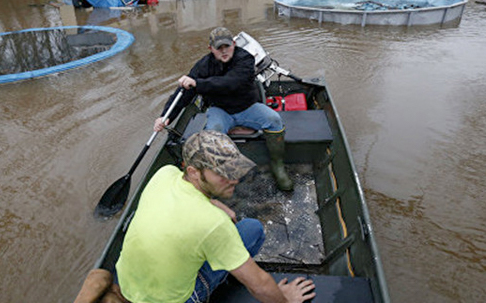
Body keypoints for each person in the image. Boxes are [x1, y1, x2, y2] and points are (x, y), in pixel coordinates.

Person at [73, 130, 316, 303]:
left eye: (234, 170)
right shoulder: (212, 224)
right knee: (252, 229)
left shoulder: (164, 173)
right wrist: (285, 298)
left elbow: (195, 196)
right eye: (223, 173)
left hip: (128, 285)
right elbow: (260, 285)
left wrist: (219, 205)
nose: (234, 179)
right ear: (193, 172)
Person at [154, 27, 293, 191]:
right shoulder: (203, 66)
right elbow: (184, 93)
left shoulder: (245, 58)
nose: (224, 51)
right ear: (210, 48)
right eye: (219, 48)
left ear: (234, 44)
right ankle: (219, 176)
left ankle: (278, 166)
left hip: (247, 107)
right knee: (213, 133)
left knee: (274, 120)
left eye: (227, 46)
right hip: (220, 110)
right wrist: (165, 116)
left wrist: (199, 84)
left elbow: (232, 82)